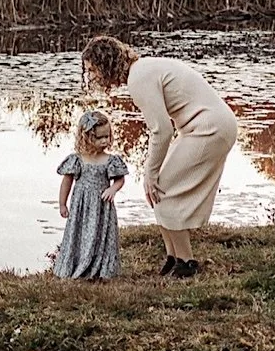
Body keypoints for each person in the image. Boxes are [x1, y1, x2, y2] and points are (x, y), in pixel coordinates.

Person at [80, 34, 238, 279]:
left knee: (163, 188)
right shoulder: (142, 70)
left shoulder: (139, 78)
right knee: (158, 189)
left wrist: (150, 172)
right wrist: (151, 173)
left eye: (93, 70)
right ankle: (173, 257)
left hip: (210, 128)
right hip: (202, 127)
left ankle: (187, 263)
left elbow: (162, 130)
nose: (92, 77)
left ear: (105, 64)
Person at [53, 109, 128, 280]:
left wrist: (113, 189)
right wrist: (62, 204)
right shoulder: (77, 159)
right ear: (86, 137)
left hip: (102, 207)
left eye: (107, 136)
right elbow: (67, 182)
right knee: (80, 235)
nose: (105, 141)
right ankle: (77, 264)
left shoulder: (110, 160)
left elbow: (120, 179)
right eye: (100, 137)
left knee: (101, 236)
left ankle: (100, 267)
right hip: (81, 207)